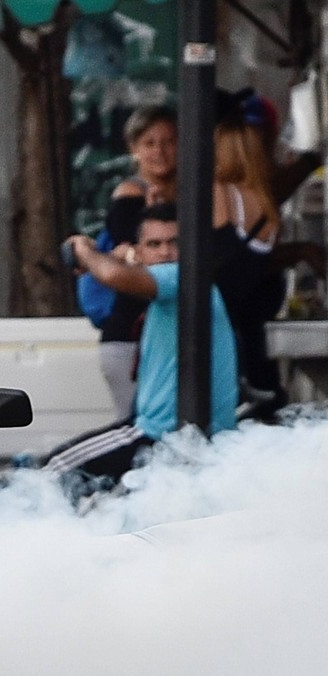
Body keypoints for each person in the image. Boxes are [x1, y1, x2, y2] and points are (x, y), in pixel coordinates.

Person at [44, 203, 238, 489]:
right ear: (140, 251)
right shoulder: (184, 288)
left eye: (175, 242)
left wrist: (83, 250)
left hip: (161, 437)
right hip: (184, 440)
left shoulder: (183, 277)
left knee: (48, 474)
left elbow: (113, 276)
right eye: (154, 244)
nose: (165, 252)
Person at [97, 105, 177, 419]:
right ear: (134, 149)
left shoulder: (192, 192)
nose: (160, 151)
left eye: (169, 141)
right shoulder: (130, 195)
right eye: (150, 143)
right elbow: (125, 247)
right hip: (130, 337)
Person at [210, 101, 288, 418]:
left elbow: (208, 247)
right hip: (252, 333)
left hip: (222, 327)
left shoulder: (221, 191)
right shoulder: (267, 204)